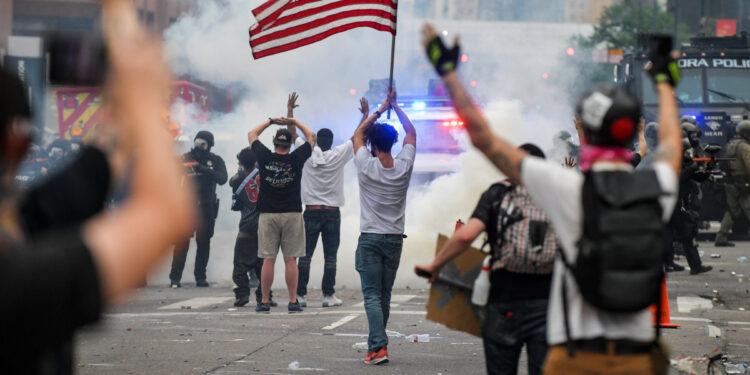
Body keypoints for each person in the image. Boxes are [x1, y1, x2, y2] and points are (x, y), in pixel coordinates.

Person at [422, 24, 681, 374]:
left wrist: (447, 72)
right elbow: (669, 142)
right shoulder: (657, 186)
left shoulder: (567, 187)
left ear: (584, 131)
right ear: (630, 131)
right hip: (638, 359)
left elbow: (484, 140)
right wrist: (665, 82)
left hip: (575, 356)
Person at [0, 1, 196, 372]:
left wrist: (119, 20)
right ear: (17, 142)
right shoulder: (13, 277)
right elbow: (166, 212)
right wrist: (144, 94)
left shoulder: (20, 219)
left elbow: (105, 155)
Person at [416, 144, 557, 375]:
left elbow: (467, 235)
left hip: (504, 301)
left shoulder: (497, 193)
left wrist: (435, 265)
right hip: (548, 304)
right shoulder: (559, 196)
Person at [352, 88, 417, 365]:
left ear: (372, 145)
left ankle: (378, 347)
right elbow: (411, 133)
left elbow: (357, 136)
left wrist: (380, 109)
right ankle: (376, 345)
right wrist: (397, 107)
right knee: (384, 294)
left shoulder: (365, 164)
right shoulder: (404, 165)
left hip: (370, 240)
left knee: (371, 296)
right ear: (393, 143)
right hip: (393, 240)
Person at [289, 93, 362, 308]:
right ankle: (328, 296)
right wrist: (366, 114)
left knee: (305, 257)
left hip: (310, 211)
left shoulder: (307, 154)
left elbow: (293, 133)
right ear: (331, 143)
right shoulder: (338, 155)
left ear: (315, 142)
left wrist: (290, 111)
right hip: (331, 212)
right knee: (331, 258)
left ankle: (300, 295)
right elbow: (356, 137)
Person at [248, 115, 314, 313]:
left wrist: (270, 121)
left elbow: (252, 134)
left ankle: (265, 301)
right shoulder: (297, 158)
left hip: (268, 214)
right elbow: (311, 137)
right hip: (292, 214)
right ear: (289, 145)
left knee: (268, 259)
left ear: (275, 143)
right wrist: (295, 122)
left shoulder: (265, 156)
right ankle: (293, 301)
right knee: (290, 259)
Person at [169, 130, 227, 288]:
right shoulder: (185, 158)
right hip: (187, 207)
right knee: (182, 242)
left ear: (209, 146)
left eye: (203, 143)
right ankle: (175, 277)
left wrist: (205, 170)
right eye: (197, 142)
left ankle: (200, 277)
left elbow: (223, 179)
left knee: (203, 242)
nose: (199, 146)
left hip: (206, 206)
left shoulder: (215, 160)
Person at [229, 147, 273, 307]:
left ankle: (241, 295)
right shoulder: (266, 175)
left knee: (240, 263)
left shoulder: (236, 180)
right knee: (264, 262)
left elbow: (236, 206)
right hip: (265, 225)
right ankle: (265, 296)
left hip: (246, 226)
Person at [665, 141, 712, 274]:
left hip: (679, 205)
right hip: (671, 205)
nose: (688, 154)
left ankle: (695, 266)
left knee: (687, 235)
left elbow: (699, 177)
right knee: (669, 236)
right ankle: (668, 263)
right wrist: (692, 167)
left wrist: (709, 167)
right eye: (686, 152)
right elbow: (678, 179)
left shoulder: (686, 164)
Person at [714, 120, 750, 247]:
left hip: (730, 182)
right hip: (743, 183)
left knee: (732, 211)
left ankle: (721, 237)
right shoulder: (745, 147)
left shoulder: (730, 145)